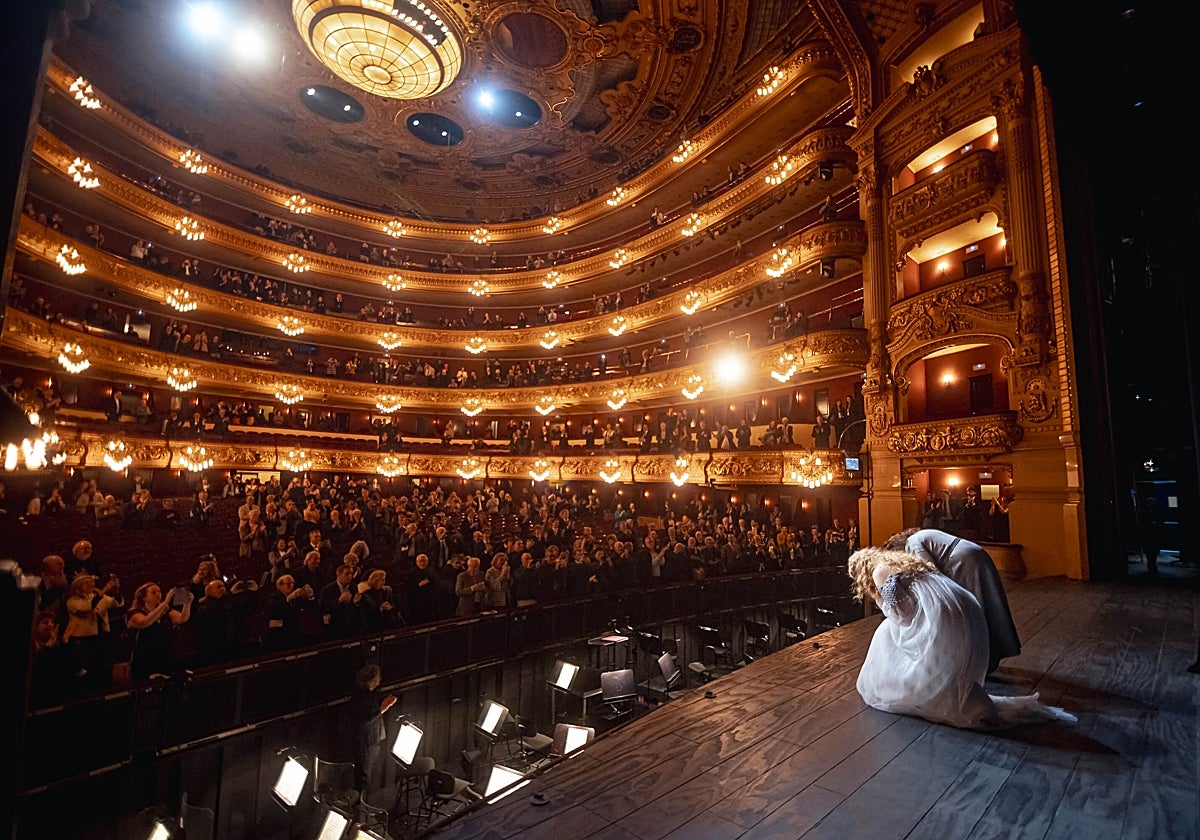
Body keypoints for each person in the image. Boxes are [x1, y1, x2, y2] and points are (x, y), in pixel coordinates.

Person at [848, 546, 1074, 729]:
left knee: (886, 632)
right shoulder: (902, 563)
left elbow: (902, 612)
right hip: (964, 606)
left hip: (943, 617)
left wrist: (883, 606)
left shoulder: (879, 572)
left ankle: (905, 688)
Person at [885, 528, 1021, 672]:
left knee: (974, 612)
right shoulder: (921, 535)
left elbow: (929, 571)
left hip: (963, 561)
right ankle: (991, 656)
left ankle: (981, 661)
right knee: (989, 604)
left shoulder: (912, 543)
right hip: (974, 554)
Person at [350, 664, 397, 791]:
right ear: (371, 678)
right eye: (378, 676)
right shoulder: (364, 697)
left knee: (365, 776)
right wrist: (382, 709)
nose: (380, 678)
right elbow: (364, 720)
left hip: (369, 742)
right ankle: (359, 805)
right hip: (366, 742)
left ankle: (361, 802)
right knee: (363, 777)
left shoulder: (366, 695)